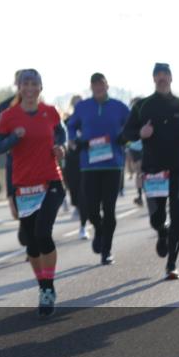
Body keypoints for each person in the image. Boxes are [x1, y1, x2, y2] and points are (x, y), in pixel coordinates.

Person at [0, 69, 67, 317]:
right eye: (26, 83)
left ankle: (47, 288)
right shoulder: (9, 116)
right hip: (24, 186)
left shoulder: (50, 112)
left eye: (34, 83)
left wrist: (61, 147)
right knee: (31, 242)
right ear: (19, 87)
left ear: (41, 87)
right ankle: (43, 284)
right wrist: (14, 138)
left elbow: (61, 132)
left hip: (51, 182)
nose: (30, 88)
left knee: (43, 233)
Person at [122, 63, 179, 280]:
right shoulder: (143, 105)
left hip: (178, 167)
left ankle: (172, 263)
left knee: (178, 215)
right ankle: (162, 231)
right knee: (156, 218)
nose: (161, 78)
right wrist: (141, 132)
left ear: (171, 77)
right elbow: (126, 133)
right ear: (153, 79)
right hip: (153, 170)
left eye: (165, 74)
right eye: (157, 75)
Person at [66, 73, 131, 265]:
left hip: (113, 165)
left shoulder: (119, 107)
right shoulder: (83, 107)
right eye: (95, 86)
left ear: (107, 85)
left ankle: (107, 250)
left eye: (101, 85)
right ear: (91, 88)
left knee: (109, 209)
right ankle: (99, 230)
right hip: (89, 165)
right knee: (91, 208)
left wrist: (124, 138)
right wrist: (72, 139)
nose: (98, 89)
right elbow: (71, 125)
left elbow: (131, 126)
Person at [0, 70, 24, 220]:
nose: (24, 85)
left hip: (35, 158)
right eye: (20, 81)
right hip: (13, 158)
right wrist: (13, 138)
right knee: (15, 209)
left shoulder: (41, 107)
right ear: (16, 83)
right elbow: (0, 136)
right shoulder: (4, 106)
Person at [63, 95, 89, 239]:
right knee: (74, 194)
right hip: (71, 162)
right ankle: (79, 209)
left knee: (84, 194)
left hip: (86, 161)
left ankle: (83, 226)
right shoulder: (67, 122)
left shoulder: (89, 121)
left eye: (81, 103)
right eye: (76, 104)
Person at [126, 97, 145, 207]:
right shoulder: (145, 114)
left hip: (137, 147)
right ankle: (141, 195)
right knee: (141, 171)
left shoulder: (131, 115)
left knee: (140, 172)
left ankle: (140, 196)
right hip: (138, 147)